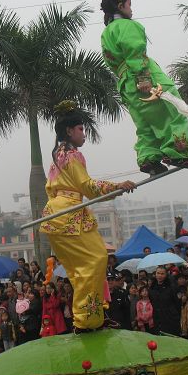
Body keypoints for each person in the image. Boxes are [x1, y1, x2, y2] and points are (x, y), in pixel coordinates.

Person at [39, 101, 136, 333]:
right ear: (69, 131)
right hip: (68, 214)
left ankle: (94, 314)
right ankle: (87, 319)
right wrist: (117, 187)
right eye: (81, 129)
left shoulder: (58, 155)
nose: (84, 134)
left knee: (81, 267)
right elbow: (88, 187)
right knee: (96, 259)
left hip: (56, 215)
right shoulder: (72, 155)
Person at [96, 0, 188, 175]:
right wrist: (144, 78)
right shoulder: (128, 26)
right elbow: (135, 51)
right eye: (129, 4)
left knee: (144, 123)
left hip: (125, 84)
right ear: (120, 5)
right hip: (145, 78)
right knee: (174, 111)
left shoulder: (106, 33)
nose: (131, 8)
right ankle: (178, 153)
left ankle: (149, 159)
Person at [149, 267, 181, 336]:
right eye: (158, 273)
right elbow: (152, 301)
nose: (160, 275)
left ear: (166, 275)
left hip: (170, 318)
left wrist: (174, 314)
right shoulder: (152, 287)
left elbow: (178, 303)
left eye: (162, 274)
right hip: (157, 318)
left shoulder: (172, 287)